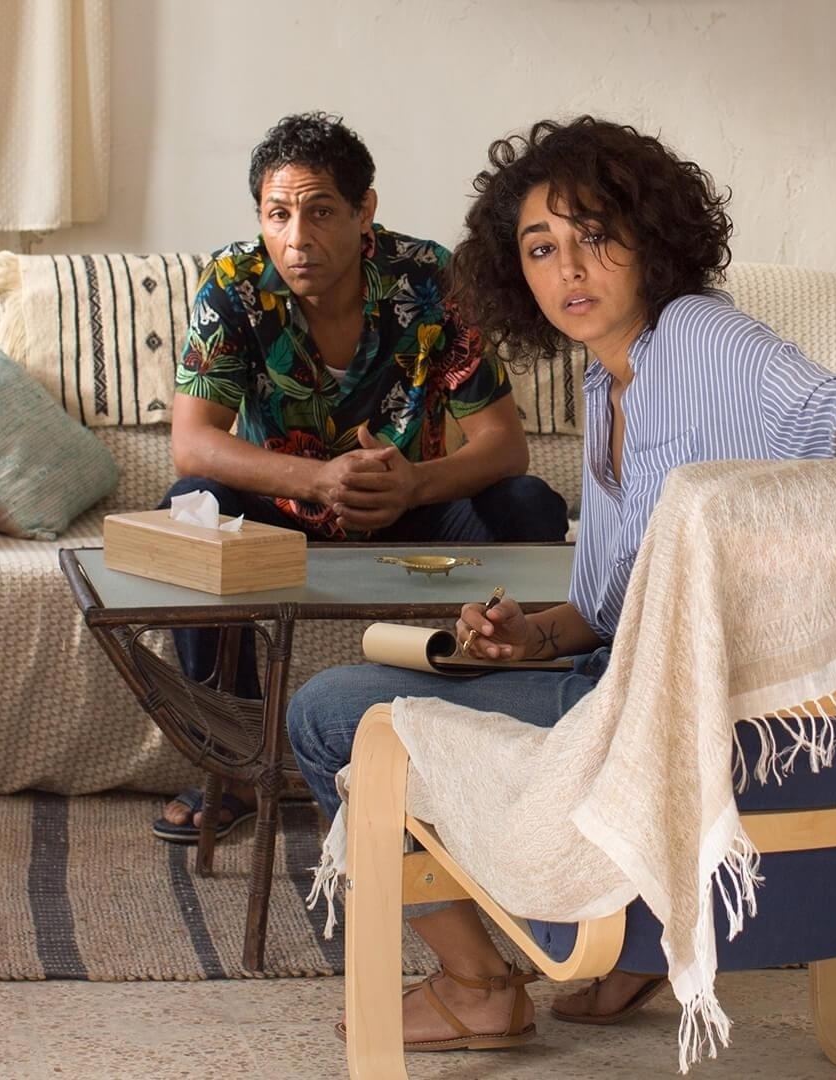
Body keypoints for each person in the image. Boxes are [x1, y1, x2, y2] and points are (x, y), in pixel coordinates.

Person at [288, 116, 836, 1052]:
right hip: (629, 684)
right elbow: (607, 605)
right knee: (398, 691)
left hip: (668, 713)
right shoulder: (603, 383)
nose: (569, 269)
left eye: (595, 237)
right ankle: (632, 951)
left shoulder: (698, 335)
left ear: (651, 241)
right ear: (517, 272)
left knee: (331, 713)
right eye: (542, 248)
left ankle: (479, 987)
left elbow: (824, 399)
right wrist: (530, 636)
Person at [154, 112, 568, 842]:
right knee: (190, 508)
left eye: (319, 213)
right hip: (278, 513)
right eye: (277, 215)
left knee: (529, 505)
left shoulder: (431, 279)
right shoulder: (234, 285)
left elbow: (505, 447)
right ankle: (236, 766)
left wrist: (414, 484)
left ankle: (508, 737)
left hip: (413, 505)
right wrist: (314, 480)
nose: (296, 238)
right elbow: (193, 445)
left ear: (364, 210)